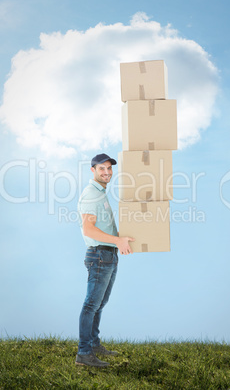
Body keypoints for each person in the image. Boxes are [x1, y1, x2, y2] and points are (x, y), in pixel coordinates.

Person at [76, 153, 135, 368]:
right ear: (93, 170)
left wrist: (123, 238)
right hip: (100, 255)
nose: (107, 172)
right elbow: (88, 228)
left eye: (109, 168)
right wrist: (117, 240)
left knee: (99, 304)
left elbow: (104, 227)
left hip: (108, 254)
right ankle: (84, 353)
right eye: (102, 168)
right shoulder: (91, 194)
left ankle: (93, 344)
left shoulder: (101, 193)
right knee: (91, 304)